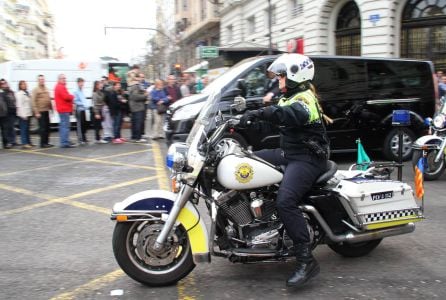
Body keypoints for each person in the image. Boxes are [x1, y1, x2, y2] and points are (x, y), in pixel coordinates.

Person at [239, 53, 329, 288]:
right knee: (245, 162)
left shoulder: (305, 100)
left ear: (294, 77)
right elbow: (274, 118)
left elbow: (288, 115)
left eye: (281, 76)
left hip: (307, 159)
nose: (278, 81)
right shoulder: (289, 97)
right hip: (289, 154)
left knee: (286, 201)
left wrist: (261, 112)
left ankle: (305, 260)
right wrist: (242, 118)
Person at [31, 75, 53, 148]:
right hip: (40, 111)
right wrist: (36, 112)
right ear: (38, 81)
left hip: (46, 110)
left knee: (47, 127)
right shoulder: (36, 89)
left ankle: (46, 142)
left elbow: (48, 99)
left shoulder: (46, 88)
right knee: (42, 128)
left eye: (43, 79)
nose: (42, 81)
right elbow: (33, 101)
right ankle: (42, 143)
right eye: (40, 80)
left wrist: (51, 108)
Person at [54, 74, 75, 148]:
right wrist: (72, 96)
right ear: (59, 79)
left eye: (65, 78)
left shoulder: (60, 86)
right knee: (65, 126)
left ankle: (65, 140)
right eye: (63, 78)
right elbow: (66, 97)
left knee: (64, 126)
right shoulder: (60, 87)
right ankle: (64, 142)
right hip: (64, 109)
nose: (64, 79)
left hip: (63, 109)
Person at [128, 74, 148, 142]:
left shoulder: (132, 86)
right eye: (140, 77)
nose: (141, 79)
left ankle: (134, 136)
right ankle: (138, 137)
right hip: (138, 107)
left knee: (134, 123)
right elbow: (136, 97)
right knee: (138, 123)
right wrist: (145, 95)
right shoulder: (136, 86)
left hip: (134, 107)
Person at [15, 81, 34, 149]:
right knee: (23, 129)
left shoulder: (26, 93)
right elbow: (19, 105)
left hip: (28, 113)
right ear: (20, 86)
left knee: (27, 129)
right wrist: (23, 115)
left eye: (25, 84)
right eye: (23, 84)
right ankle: (24, 143)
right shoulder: (19, 94)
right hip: (23, 114)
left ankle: (28, 142)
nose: (25, 85)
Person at [0, 79, 17, 148]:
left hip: (4, 114)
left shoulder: (8, 92)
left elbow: (11, 102)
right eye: (2, 84)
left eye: (5, 83)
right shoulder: (2, 93)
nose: (4, 85)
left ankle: (6, 143)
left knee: (5, 129)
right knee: (5, 129)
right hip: (3, 113)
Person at [73, 78, 90, 145]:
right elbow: (75, 101)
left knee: (83, 124)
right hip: (79, 110)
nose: (82, 84)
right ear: (78, 83)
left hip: (83, 109)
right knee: (79, 125)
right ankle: (80, 139)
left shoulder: (81, 91)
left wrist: (86, 105)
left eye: (83, 83)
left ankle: (84, 138)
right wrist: (83, 104)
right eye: (81, 83)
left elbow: (83, 100)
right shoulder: (76, 91)